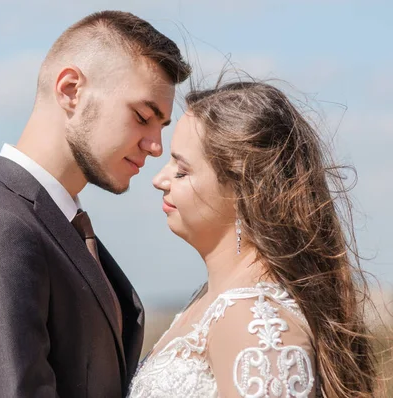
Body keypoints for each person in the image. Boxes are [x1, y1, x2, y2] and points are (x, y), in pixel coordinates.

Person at [0, 10, 191, 398]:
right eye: (142, 116)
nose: (155, 146)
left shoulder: (59, 226)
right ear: (70, 90)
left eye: (160, 127)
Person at [128, 80, 376, 397]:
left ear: (243, 189)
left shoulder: (253, 320)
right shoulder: (212, 300)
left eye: (182, 170)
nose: (159, 179)